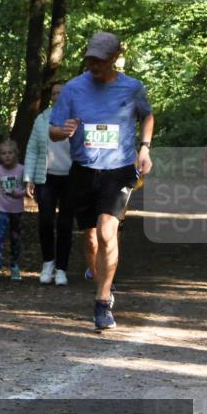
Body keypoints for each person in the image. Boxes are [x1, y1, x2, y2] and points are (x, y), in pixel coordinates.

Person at [50, 32, 154, 331]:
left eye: (99, 60)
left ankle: (102, 301)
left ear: (114, 58)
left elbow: (147, 116)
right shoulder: (73, 89)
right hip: (83, 170)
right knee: (91, 238)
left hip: (118, 169)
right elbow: (53, 131)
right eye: (89, 60)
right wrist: (64, 131)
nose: (93, 65)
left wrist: (145, 148)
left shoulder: (132, 87)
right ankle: (103, 285)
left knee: (108, 232)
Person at [23, 81, 74, 285]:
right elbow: (32, 149)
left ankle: (61, 269)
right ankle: (48, 263)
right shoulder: (42, 120)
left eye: (61, 92)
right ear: (51, 97)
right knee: (45, 221)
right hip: (46, 177)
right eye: (54, 93)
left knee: (65, 224)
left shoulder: (76, 118)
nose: (57, 96)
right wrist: (28, 178)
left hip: (70, 178)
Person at [0, 139, 25, 282]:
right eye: (3, 153)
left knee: (15, 239)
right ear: (0, 156)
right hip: (2, 209)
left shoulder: (22, 169)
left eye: (10, 153)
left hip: (17, 210)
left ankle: (14, 266)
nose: (7, 156)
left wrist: (18, 193)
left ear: (16, 154)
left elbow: (28, 189)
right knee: (0, 238)